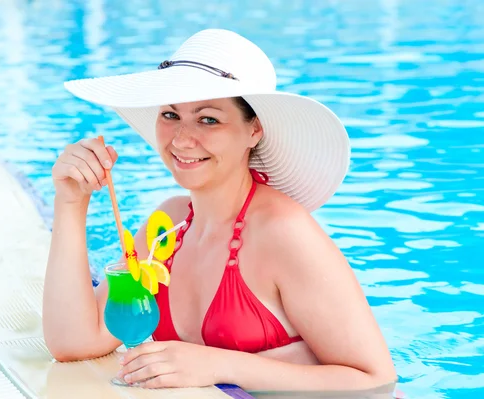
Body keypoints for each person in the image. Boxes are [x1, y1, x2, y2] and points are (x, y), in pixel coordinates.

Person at [42, 29, 397, 392]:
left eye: (208, 119)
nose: (181, 139)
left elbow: (376, 381)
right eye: (170, 114)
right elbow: (74, 343)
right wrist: (70, 202)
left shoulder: (282, 232)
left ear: (254, 131)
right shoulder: (168, 228)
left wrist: (219, 364)